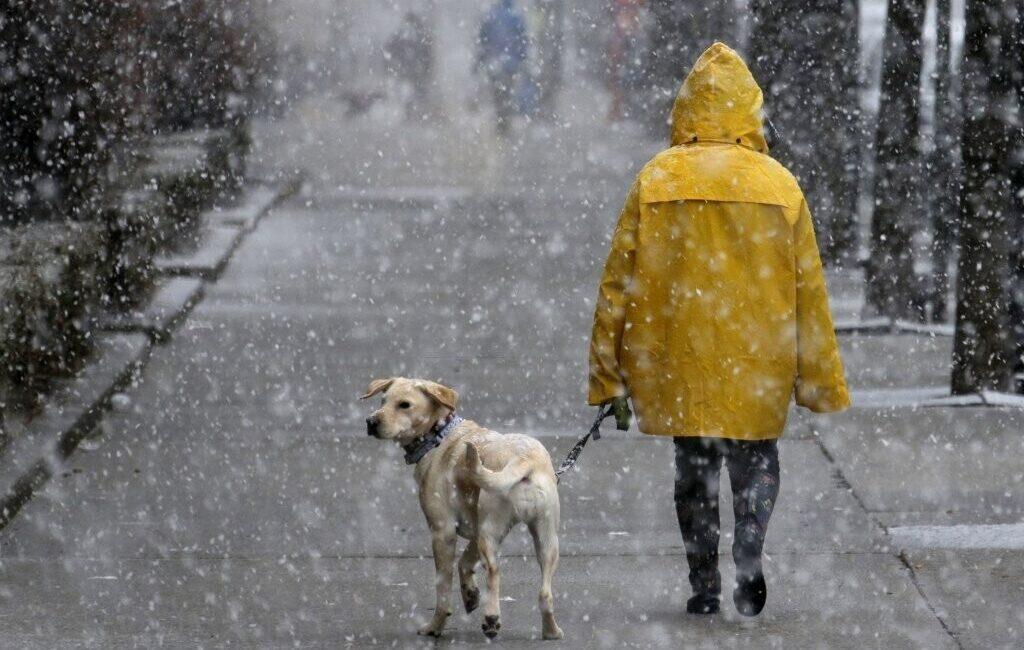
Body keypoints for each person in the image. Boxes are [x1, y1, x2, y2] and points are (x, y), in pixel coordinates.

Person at [587, 42, 850, 617]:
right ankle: (749, 550)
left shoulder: (656, 179)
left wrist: (609, 376)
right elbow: (809, 292)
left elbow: (617, 286)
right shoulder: (780, 185)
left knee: (695, 469)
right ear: (749, 112)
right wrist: (819, 380)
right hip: (758, 354)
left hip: (681, 357)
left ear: (685, 111)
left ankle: (703, 583)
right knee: (755, 458)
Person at [475, 0, 528, 136]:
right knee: (508, 91)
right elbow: (522, 40)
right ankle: (505, 120)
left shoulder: (491, 14)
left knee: (497, 92)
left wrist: (480, 61)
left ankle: (500, 120)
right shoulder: (516, 16)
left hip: (494, 63)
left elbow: (483, 39)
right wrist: (522, 59)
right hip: (511, 64)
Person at [385, 12, 434, 119]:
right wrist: (426, 68)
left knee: (408, 91)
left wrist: (394, 64)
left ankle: (409, 111)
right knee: (415, 91)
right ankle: (413, 112)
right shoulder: (420, 34)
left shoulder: (401, 33)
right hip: (415, 69)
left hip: (405, 68)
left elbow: (391, 47)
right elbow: (427, 53)